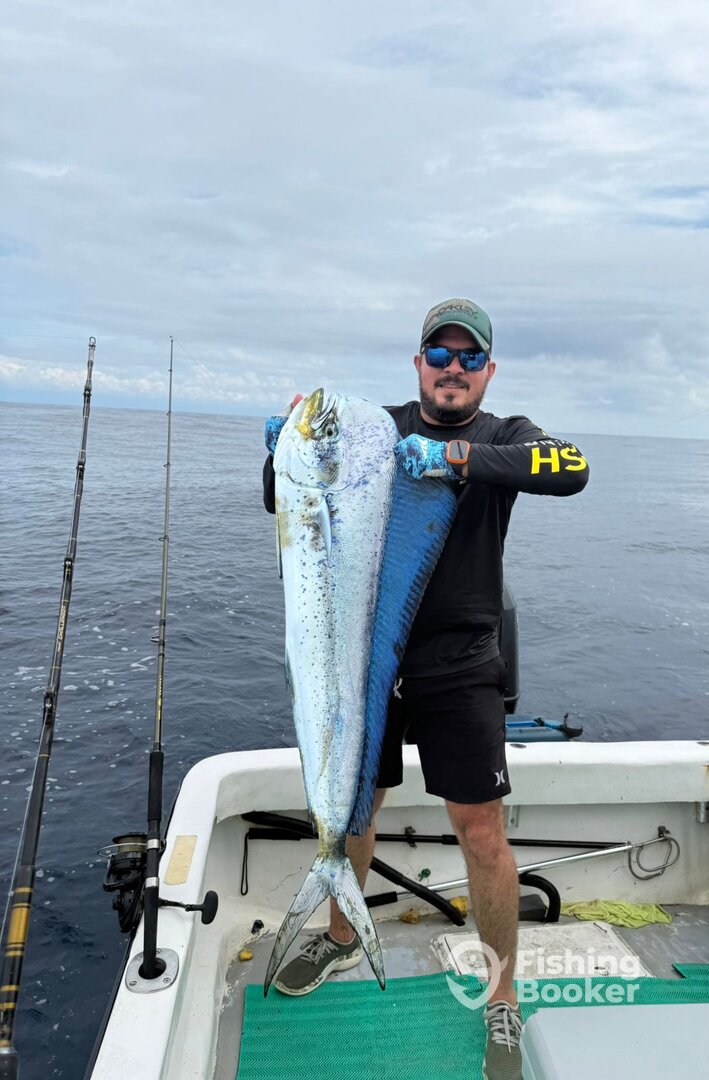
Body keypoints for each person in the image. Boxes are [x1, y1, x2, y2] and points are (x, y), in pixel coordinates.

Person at [262, 298, 589, 1080]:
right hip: (366, 666)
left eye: (467, 357)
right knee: (354, 808)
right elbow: (287, 504)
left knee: (480, 831)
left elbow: (570, 469)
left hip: (461, 663)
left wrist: (456, 459)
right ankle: (341, 938)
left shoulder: (507, 436)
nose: (451, 369)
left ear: (487, 370)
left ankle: (502, 995)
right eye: (438, 355)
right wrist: (281, 453)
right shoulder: (376, 430)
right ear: (418, 365)